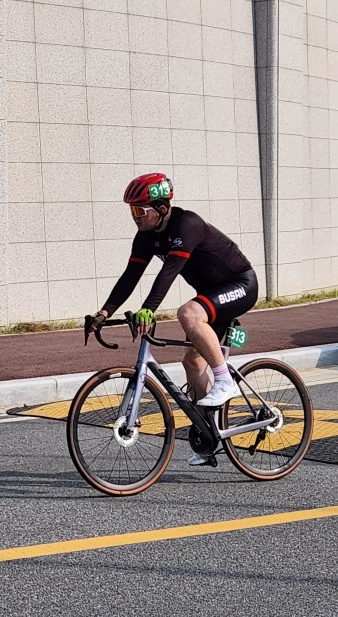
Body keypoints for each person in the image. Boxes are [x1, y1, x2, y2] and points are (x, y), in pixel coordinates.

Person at [86, 173, 258, 465]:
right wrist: (104, 312)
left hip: (240, 284)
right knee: (192, 363)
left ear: (162, 208)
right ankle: (210, 436)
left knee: (188, 313)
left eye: (139, 210)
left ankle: (224, 380)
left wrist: (148, 308)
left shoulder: (187, 224)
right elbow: (130, 276)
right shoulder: (146, 236)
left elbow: (170, 272)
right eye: (131, 210)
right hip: (211, 295)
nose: (135, 216)